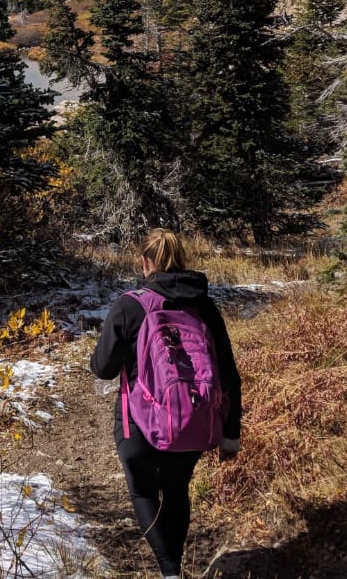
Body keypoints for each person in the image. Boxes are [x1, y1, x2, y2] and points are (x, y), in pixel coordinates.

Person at [89, 229, 242, 579]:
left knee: (143, 489)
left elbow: (103, 368)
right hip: (194, 420)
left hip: (137, 422)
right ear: (181, 259)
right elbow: (229, 374)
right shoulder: (204, 307)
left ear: (145, 262)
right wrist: (230, 433)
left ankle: (169, 571)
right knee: (176, 491)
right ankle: (173, 566)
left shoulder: (130, 305)